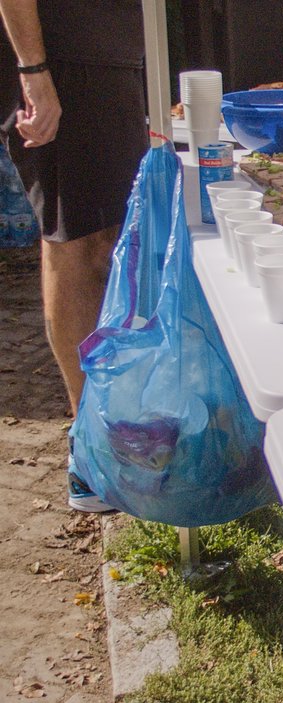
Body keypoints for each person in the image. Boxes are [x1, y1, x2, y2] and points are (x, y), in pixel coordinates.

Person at [0, 0, 149, 511]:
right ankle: (90, 452)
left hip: (105, 56)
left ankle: (110, 427)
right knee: (75, 243)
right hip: (59, 60)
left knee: (106, 242)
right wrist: (33, 71)